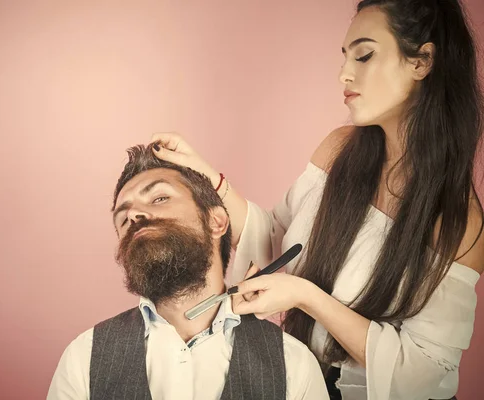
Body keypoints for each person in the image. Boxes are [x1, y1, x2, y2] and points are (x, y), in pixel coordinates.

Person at [150, 0, 484, 399]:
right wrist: (205, 174)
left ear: (422, 62)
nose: (345, 73)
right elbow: (280, 241)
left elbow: (422, 375)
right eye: (345, 57)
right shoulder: (340, 149)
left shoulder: (457, 219)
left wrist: (305, 296)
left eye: (365, 55)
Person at [47, 145, 328, 399]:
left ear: (216, 222)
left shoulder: (294, 364)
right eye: (123, 218)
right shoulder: (83, 358)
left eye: (159, 198)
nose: (134, 216)